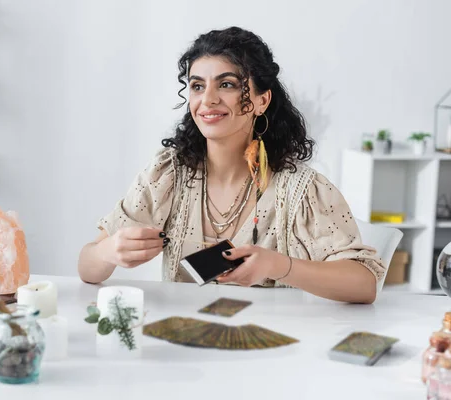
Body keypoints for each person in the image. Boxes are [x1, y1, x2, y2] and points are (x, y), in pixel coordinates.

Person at [78, 26, 384, 304]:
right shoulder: (167, 175)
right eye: (197, 86)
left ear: (262, 101)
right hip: (182, 344)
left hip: (272, 352)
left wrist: (278, 265)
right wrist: (110, 250)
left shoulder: (300, 190)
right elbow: (87, 268)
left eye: (226, 84)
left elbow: (365, 285)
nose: (208, 99)